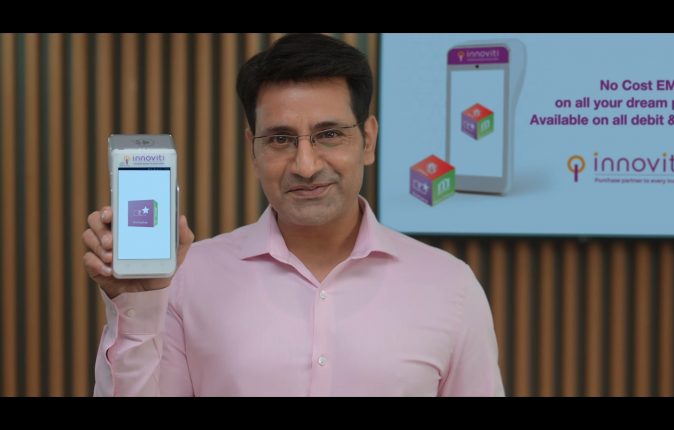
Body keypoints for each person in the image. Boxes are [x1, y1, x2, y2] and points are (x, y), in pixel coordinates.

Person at [82, 33, 504, 396]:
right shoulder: (187, 278)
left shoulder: (451, 287)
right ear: (253, 149)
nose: (305, 165)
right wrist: (137, 305)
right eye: (280, 139)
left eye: (329, 134)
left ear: (368, 140)